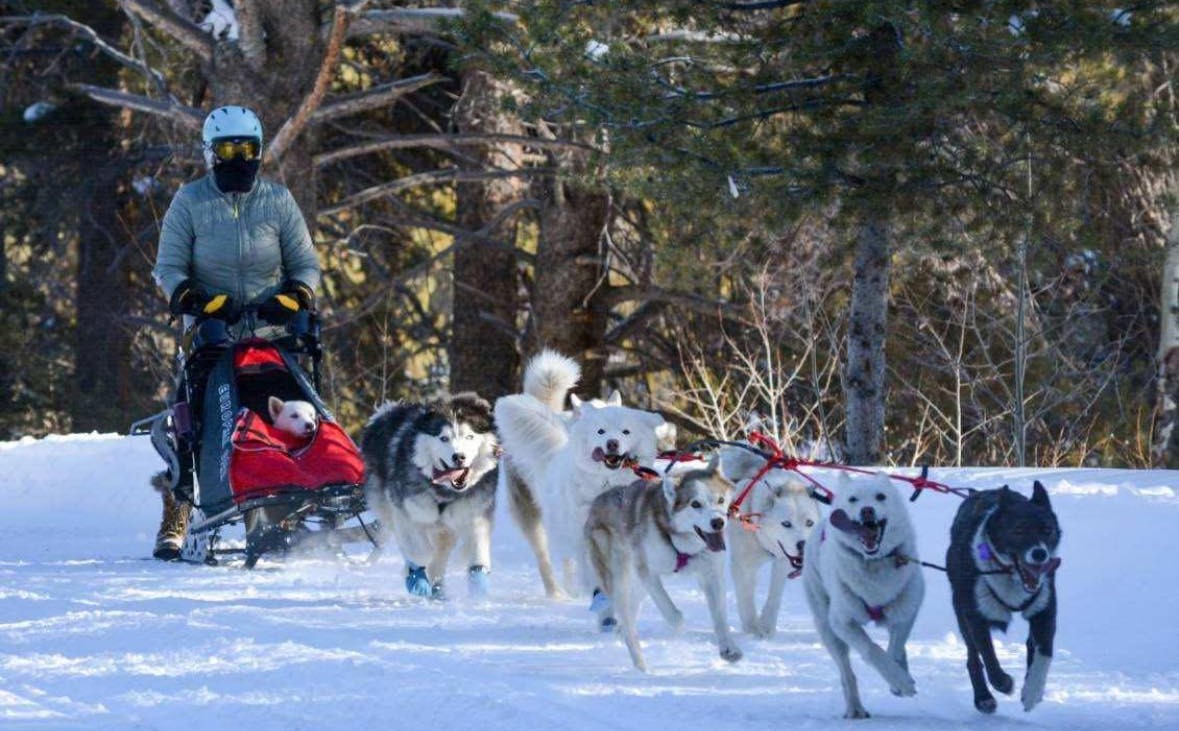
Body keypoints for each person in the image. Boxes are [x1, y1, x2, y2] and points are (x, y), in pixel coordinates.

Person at [150, 105, 321, 560]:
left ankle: (285, 507)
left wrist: (293, 296)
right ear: (211, 153)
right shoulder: (190, 202)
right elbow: (167, 267)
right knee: (193, 422)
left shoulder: (278, 201)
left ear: (259, 151)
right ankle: (181, 507)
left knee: (290, 413)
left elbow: (305, 264)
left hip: (271, 332)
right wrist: (199, 300)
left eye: (247, 148)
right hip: (212, 334)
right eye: (229, 149)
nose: (239, 158)